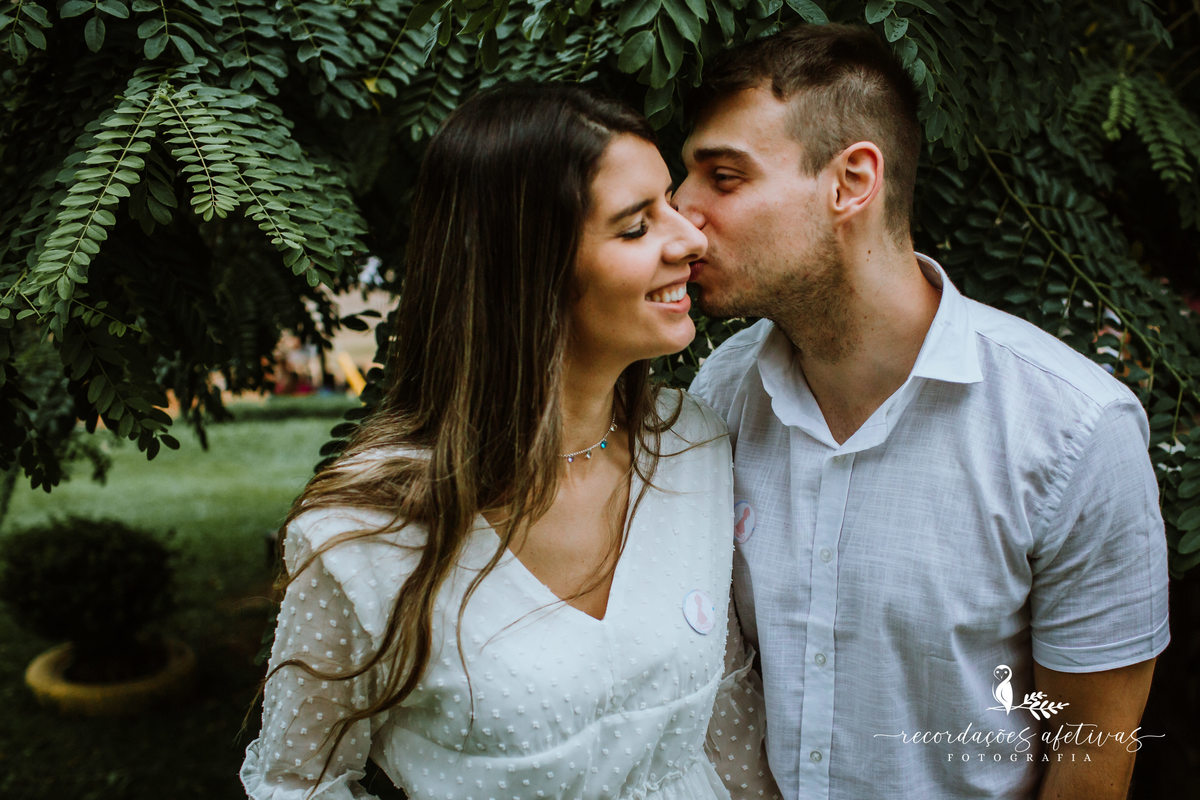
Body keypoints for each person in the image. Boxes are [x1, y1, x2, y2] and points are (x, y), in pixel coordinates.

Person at [240, 84, 780, 800]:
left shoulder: (693, 446)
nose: (689, 239)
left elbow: (728, 709)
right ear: (528, 269)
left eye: (670, 207)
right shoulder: (367, 537)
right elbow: (296, 785)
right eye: (634, 226)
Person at [675, 23, 1170, 800]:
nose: (679, 214)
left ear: (852, 181)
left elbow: (1091, 761)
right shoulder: (720, 394)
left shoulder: (1076, 431)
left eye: (724, 177)